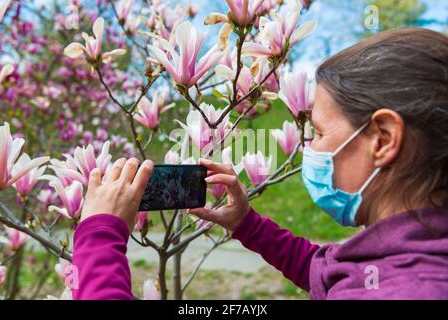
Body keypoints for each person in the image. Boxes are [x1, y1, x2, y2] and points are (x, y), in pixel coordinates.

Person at [72, 27, 448, 300]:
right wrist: (248, 225)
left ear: (382, 139)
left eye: (317, 131)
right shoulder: (409, 253)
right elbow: (328, 270)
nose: (308, 147)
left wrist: (97, 238)